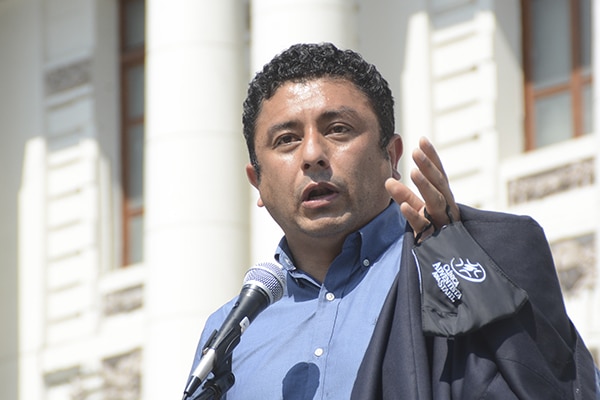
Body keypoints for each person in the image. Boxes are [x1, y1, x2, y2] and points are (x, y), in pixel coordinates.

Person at [184, 42, 599, 399]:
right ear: (257, 182)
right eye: (287, 139)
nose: (312, 155)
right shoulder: (230, 334)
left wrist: (468, 271)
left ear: (391, 155)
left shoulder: (462, 264)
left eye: (338, 129)